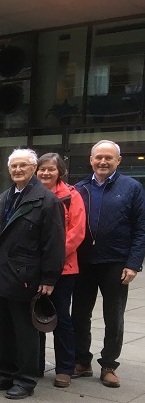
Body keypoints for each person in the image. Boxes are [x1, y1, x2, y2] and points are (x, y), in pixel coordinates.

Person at [0, 148, 65, 399]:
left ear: (34, 168)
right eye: (14, 166)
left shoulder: (47, 201)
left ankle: (26, 379)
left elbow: (54, 244)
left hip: (25, 276)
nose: (18, 170)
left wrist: (49, 278)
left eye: (23, 166)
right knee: (2, 327)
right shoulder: (5, 197)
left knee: (25, 331)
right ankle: (6, 373)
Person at [72, 140, 145, 388]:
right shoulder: (80, 188)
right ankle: (82, 361)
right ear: (91, 160)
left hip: (116, 262)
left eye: (108, 158)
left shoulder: (132, 188)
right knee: (79, 314)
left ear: (118, 161)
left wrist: (133, 263)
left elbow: (141, 229)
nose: (103, 162)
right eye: (98, 157)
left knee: (114, 317)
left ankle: (109, 365)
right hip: (84, 263)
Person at [36, 153, 86, 388]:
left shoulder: (71, 196)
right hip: (33, 268)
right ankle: (35, 364)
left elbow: (76, 233)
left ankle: (65, 367)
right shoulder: (32, 194)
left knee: (61, 319)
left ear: (60, 172)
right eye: (42, 169)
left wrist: (51, 259)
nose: (45, 173)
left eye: (51, 169)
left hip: (63, 269)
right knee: (33, 318)